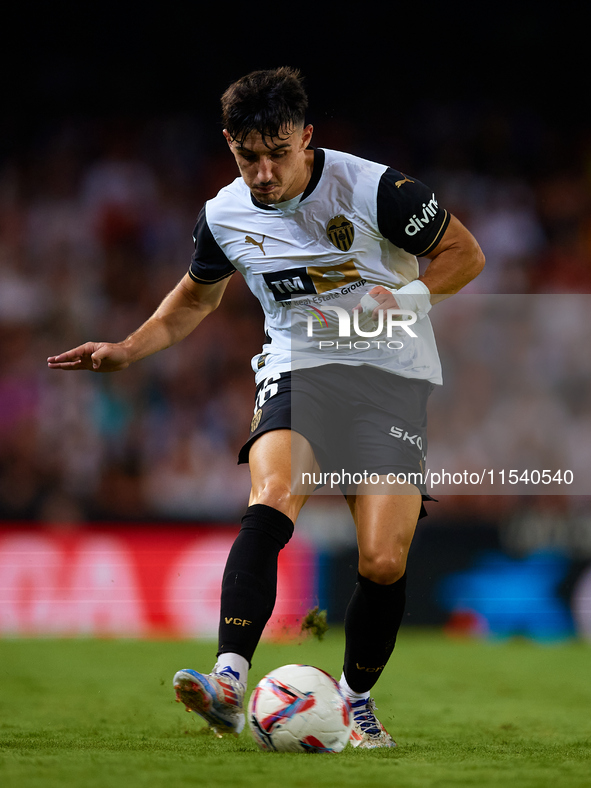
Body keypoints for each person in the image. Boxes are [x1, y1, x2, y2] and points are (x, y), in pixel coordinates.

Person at [48, 67, 485, 748]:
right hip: (298, 369)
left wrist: (410, 298)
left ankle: (355, 699)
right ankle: (227, 681)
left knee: (381, 562)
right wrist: (127, 350)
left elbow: (464, 253)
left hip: (389, 377)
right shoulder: (224, 215)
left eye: (277, 154)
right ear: (229, 144)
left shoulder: (376, 190)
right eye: (247, 156)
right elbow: (194, 299)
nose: (262, 172)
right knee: (272, 495)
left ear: (306, 138)